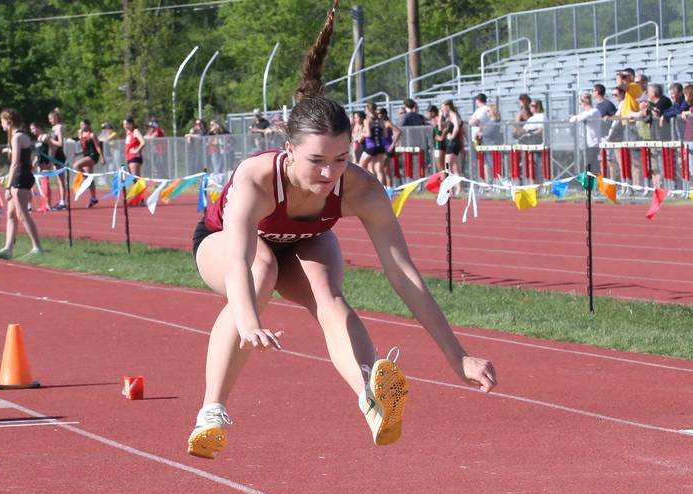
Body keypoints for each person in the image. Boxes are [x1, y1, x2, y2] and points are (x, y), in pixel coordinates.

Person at [187, 0, 496, 459]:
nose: (329, 174)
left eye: (340, 159)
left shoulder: (362, 189)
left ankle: (371, 393)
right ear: (288, 150)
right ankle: (211, 412)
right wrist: (250, 318)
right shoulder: (255, 178)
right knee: (262, 268)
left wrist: (458, 356)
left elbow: (404, 276)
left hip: (307, 240)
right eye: (316, 161)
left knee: (328, 295)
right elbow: (237, 257)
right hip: (226, 246)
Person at [0, 109, 43, 259]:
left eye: (2, 121)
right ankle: (8, 248)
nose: (1, 124)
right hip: (22, 175)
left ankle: (37, 247)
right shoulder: (21, 136)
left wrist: (8, 186)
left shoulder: (16, 137)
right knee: (11, 214)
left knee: (22, 214)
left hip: (20, 177)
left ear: (9, 121)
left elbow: (15, 164)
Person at [74, 119, 105, 207]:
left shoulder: (92, 135)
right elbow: (85, 148)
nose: (81, 127)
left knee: (76, 165)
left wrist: (102, 158)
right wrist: (78, 153)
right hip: (86, 155)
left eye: (83, 125)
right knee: (90, 177)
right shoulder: (80, 134)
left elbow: (97, 147)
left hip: (93, 156)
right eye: (80, 125)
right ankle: (93, 198)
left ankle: (86, 179)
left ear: (88, 125)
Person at [569, 93, 602, 173]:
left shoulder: (594, 111)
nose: (581, 105)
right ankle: (594, 183)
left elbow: (580, 118)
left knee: (591, 165)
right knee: (590, 165)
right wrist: (578, 116)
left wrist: (578, 116)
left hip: (595, 143)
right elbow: (572, 120)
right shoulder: (587, 113)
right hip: (589, 143)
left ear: (584, 102)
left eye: (581, 103)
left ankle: (595, 183)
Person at [30, 122, 55, 211]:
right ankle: (44, 203)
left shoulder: (45, 137)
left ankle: (48, 204)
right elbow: (39, 153)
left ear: (39, 128)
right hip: (40, 164)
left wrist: (51, 162)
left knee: (45, 184)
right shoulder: (38, 138)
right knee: (42, 185)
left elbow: (52, 149)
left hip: (46, 163)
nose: (32, 131)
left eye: (33, 129)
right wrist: (34, 162)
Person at [359, 102, 386, 183]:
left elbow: (368, 134)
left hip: (371, 147)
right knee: (379, 170)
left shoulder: (367, 121)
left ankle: (365, 186)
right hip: (380, 147)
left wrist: (361, 134)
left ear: (368, 110)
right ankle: (380, 189)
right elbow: (384, 134)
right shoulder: (380, 120)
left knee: (360, 167)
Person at [47, 109, 68, 210]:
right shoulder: (53, 128)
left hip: (59, 155)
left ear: (56, 117)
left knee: (61, 180)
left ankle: (63, 202)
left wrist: (49, 140)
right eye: (49, 119)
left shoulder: (58, 127)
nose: (50, 120)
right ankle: (61, 201)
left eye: (51, 118)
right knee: (59, 180)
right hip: (54, 154)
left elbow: (60, 143)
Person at [377, 107, 401, 187]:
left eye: (379, 114)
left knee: (381, 169)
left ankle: (385, 189)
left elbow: (398, 131)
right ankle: (388, 189)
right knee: (386, 170)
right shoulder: (379, 123)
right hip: (383, 147)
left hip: (388, 148)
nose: (378, 115)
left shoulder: (387, 123)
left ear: (383, 114)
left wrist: (393, 144)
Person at [441, 99, 463, 183]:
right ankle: (458, 188)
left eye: (443, 107)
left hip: (452, 143)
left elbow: (457, 127)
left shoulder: (453, 115)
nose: (442, 109)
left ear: (448, 106)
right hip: (450, 142)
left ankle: (450, 188)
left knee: (448, 165)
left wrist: (452, 137)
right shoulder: (448, 116)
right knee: (454, 166)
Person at [428, 105, 445, 174]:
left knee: (441, 168)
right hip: (438, 145)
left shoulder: (437, 119)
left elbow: (439, 132)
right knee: (441, 167)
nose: (428, 115)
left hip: (439, 145)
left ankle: (444, 182)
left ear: (433, 112)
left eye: (429, 113)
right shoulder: (436, 119)